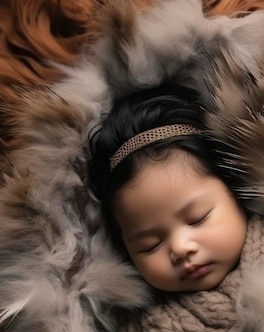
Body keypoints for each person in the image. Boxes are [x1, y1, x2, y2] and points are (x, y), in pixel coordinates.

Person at [89, 82, 248, 293]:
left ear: (235, 189)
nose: (180, 248)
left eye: (198, 218)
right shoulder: (145, 322)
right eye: (150, 245)